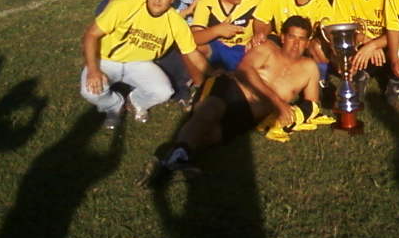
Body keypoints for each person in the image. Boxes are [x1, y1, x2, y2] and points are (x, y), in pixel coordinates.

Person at [138, 16, 322, 184]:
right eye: (291, 37)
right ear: (282, 37)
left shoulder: (309, 68)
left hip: (249, 115)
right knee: (209, 112)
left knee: (212, 135)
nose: (296, 44)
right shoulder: (268, 49)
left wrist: (293, 118)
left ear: (308, 42)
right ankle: (177, 157)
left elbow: (312, 103)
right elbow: (244, 70)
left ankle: (168, 160)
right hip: (232, 88)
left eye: (301, 39)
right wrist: (277, 103)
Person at [80, 0, 211, 128]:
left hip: (139, 63)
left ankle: (136, 101)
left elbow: (192, 53)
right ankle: (114, 105)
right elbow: (91, 35)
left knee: (163, 92)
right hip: (107, 59)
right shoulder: (124, 5)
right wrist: (93, 69)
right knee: (90, 91)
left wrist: (212, 72)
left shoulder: (177, 22)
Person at [332, 0, 390, 96]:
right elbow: (340, 26)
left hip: (384, 45)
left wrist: (374, 45)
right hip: (357, 42)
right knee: (340, 57)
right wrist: (365, 40)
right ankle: (360, 73)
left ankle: (394, 82)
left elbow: (396, 31)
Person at [191, 0, 260, 72]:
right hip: (218, 47)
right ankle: (207, 77)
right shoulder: (206, 2)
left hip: (244, 48)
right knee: (192, 49)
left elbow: (264, 26)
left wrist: (255, 39)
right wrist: (216, 31)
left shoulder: (254, 1)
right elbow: (195, 38)